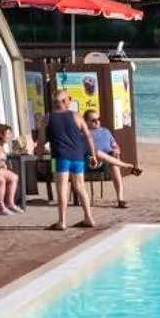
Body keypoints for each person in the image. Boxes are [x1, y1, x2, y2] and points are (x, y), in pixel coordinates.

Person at [42, 91, 98, 231]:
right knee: (80, 187)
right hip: (77, 157)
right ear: (64, 101)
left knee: (61, 189)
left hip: (59, 157)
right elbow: (88, 136)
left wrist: (39, 158)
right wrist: (93, 155)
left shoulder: (47, 118)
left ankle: (62, 221)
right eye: (69, 99)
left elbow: (41, 141)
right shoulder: (76, 116)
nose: (70, 101)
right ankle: (89, 217)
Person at [83, 109, 142, 208]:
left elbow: (115, 145)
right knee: (97, 152)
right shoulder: (85, 133)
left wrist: (116, 150)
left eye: (98, 119)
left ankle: (120, 199)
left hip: (109, 158)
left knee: (115, 166)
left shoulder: (105, 131)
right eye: (93, 120)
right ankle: (125, 165)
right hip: (92, 161)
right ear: (86, 122)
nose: (97, 122)